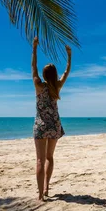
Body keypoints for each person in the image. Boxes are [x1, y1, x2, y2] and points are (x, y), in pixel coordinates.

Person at [31, 36, 71, 202]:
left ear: (44, 74)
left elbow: (33, 66)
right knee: (49, 157)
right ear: (54, 75)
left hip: (40, 125)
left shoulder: (38, 85)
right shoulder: (57, 86)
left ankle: (41, 195)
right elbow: (67, 71)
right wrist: (69, 55)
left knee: (40, 160)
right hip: (54, 125)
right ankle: (47, 188)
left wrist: (34, 48)